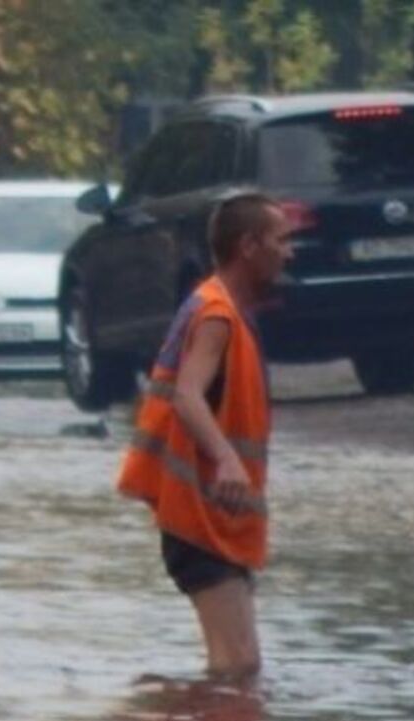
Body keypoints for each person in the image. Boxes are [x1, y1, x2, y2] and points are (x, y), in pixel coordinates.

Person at [118, 193, 291, 680]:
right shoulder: (216, 315)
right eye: (282, 240)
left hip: (215, 518)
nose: (290, 252)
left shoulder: (228, 311)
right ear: (249, 246)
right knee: (235, 669)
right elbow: (187, 395)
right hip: (197, 520)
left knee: (241, 667)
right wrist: (228, 461)